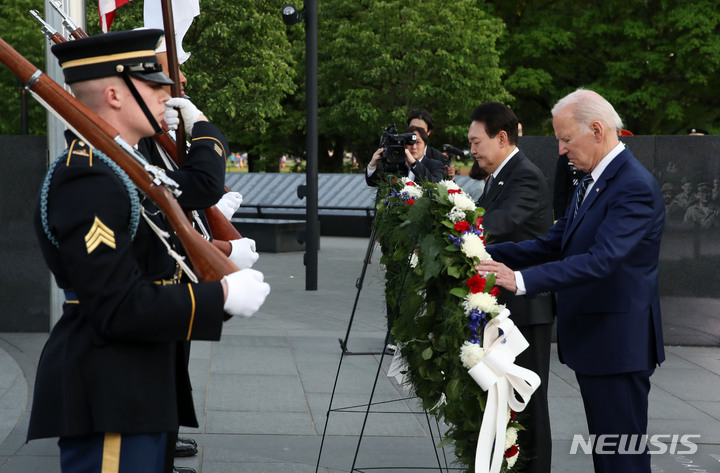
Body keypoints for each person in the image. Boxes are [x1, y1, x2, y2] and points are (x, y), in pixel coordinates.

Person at [27, 29, 270, 473]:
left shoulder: (127, 168)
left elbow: (166, 245)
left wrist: (219, 262)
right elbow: (114, 304)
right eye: (153, 83)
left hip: (139, 384)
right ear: (115, 95)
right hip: (110, 388)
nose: (167, 91)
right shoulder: (88, 179)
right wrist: (220, 297)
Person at [477, 89, 665, 473]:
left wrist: (521, 280)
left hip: (617, 345)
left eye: (565, 139)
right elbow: (554, 242)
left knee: (622, 458)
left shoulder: (633, 186)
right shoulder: (593, 179)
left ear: (597, 130)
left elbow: (601, 261)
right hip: (599, 342)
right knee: (609, 455)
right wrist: (483, 252)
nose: (561, 150)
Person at [469, 102, 554, 473]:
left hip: (525, 307)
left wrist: (455, 227)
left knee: (528, 403)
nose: (472, 150)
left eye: (476, 141)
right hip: (505, 308)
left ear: (501, 138)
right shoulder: (500, 176)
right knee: (505, 401)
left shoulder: (525, 175)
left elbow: (498, 223)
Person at [366, 125, 445, 186]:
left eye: (418, 143)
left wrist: (414, 163)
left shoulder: (435, 165)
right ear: (403, 145)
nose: (414, 147)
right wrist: (372, 164)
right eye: (409, 143)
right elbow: (372, 182)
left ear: (425, 145)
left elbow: (434, 184)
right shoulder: (395, 165)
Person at [406, 109, 455, 179]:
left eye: (421, 130)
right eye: (412, 128)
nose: (415, 132)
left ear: (428, 132)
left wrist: (449, 177)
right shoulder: (397, 156)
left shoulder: (439, 159)